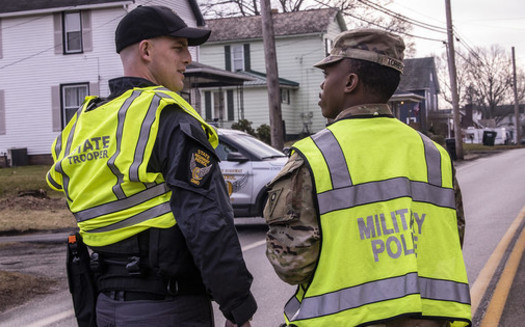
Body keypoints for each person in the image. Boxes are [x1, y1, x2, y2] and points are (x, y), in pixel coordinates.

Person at [46, 5, 256, 327]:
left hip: (104, 309)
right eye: (178, 48)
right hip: (169, 309)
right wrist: (237, 305)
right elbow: (207, 220)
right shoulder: (165, 116)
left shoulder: (80, 127)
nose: (188, 58)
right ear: (146, 50)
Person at [263, 29, 472, 327]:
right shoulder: (435, 155)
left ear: (350, 82)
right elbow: (453, 237)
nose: (322, 84)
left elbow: (291, 264)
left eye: (329, 73)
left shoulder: (314, 156)